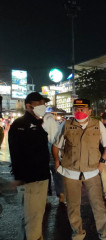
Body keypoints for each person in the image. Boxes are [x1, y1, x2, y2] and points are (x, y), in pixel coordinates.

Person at [52, 99, 106, 240]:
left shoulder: (97, 125)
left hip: (92, 172)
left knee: (98, 205)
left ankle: (105, 233)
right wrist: (56, 161)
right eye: (76, 109)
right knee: (73, 206)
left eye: (82, 109)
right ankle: (77, 233)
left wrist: (102, 161)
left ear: (89, 111)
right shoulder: (66, 125)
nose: (79, 112)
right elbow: (56, 145)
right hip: (70, 172)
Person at [8, 92, 50, 240]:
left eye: (44, 103)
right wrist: (19, 177)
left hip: (42, 175)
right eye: (40, 103)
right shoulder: (20, 124)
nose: (43, 106)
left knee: (37, 215)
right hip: (31, 178)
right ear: (28, 106)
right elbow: (15, 152)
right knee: (33, 216)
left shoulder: (39, 124)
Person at [43, 112, 65, 203]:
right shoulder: (59, 128)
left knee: (45, 177)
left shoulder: (42, 129)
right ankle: (61, 194)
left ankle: (46, 193)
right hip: (56, 158)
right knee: (58, 177)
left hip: (44, 159)